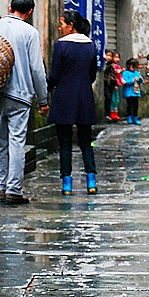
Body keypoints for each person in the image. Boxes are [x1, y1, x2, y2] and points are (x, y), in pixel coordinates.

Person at [0, 0, 49, 205]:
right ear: (29, 12)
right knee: (16, 141)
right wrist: (43, 99)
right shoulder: (30, 32)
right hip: (20, 95)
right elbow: (36, 69)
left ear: (10, 6)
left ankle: (2, 187)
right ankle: (14, 189)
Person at [48, 10, 98, 195]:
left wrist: (47, 88)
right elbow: (92, 75)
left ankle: (67, 184)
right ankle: (91, 181)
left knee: (65, 142)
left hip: (64, 97)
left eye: (62, 23)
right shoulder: (91, 45)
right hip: (85, 97)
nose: (60, 27)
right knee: (86, 141)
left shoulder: (61, 46)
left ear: (71, 25)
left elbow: (54, 75)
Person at [120, 57, 143, 124]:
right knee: (129, 105)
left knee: (136, 106)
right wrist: (132, 80)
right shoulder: (125, 73)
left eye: (135, 67)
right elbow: (125, 82)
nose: (134, 68)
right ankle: (129, 117)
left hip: (136, 92)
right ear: (128, 65)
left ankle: (135, 118)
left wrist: (140, 79)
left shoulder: (136, 72)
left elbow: (141, 80)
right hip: (129, 92)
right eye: (133, 67)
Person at [103, 50, 120, 121]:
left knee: (110, 99)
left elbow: (114, 75)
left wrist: (116, 84)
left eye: (110, 56)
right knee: (108, 97)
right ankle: (106, 114)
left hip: (111, 84)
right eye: (107, 55)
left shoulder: (112, 65)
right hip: (105, 84)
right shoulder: (103, 64)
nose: (109, 57)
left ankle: (109, 114)